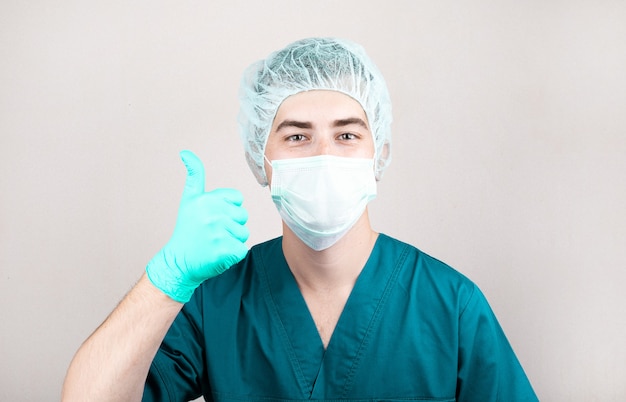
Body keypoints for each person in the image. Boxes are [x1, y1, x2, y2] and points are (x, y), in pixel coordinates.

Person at [62, 37, 538, 401]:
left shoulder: (450, 306)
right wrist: (165, 280)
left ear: (379, 155)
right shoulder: (218, 303)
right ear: (259, 159)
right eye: (296, 137)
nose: (324, 155)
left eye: (347, 135)